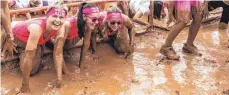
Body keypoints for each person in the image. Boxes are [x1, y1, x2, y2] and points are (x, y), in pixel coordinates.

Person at [10, 2, 68, 92]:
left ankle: (40, 45)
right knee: (32, 71)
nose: (58, 20)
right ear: (47, 16)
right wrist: (24, 86)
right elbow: (29, 58)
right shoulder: (36, 28)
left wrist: (59, 80)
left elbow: (58, 53)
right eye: (54, 16)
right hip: (17, 35)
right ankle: (20, 49)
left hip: (35, 36)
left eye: (61, 17)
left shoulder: (61, 26)